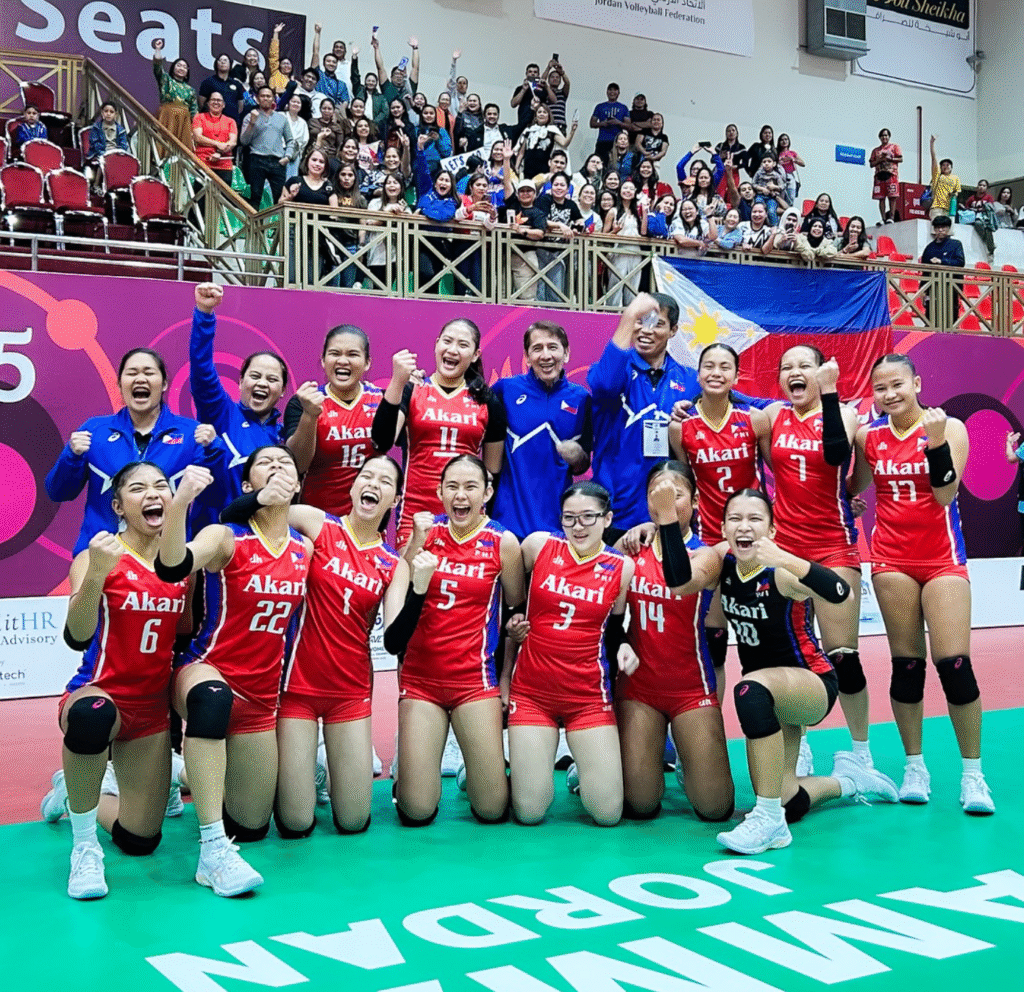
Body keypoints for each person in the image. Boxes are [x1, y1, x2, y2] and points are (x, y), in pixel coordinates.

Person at [219, 456, 404, 836]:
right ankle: (301, 771)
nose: (373, 483)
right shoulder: (317, 523)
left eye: (385, 481)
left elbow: (395, 638)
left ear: (395, 499)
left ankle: (318, 764)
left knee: (353, 822)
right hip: (295, 689)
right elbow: (231, 515)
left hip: (350, 692)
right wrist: (263, 496)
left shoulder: (392, 563)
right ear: (352, 489)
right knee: (296, 823)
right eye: (365, 476)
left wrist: (418, 586)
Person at [156, 451, 312, 893]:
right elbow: (172, 565)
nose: (279, 466)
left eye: (286, 462)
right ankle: (211, 852)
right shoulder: (226, 538)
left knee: (253, 826)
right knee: (212, 701)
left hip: (261, 699)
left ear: (297, 485)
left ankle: (179, 771)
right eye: (266, 464)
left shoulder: (305, 548)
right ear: (248, 487)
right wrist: (180, 502)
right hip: (206, 672)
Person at [713, 489, 899, 855]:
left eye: (755, 519)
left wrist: (788, 558)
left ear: (772, 529)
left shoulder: (782, 572)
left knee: (748, 690)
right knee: (789, 800)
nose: (744, 527)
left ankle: (769, 823)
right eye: (735, 519)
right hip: (770, 695)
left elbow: (841, 592)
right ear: (722, 528)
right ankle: (849, 780)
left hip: (811, 685)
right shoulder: (723, 566)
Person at [39, 463, 190, 899]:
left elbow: (185, 635)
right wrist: (98, 574)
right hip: (99, 693)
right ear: (118, 506)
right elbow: (76, 636)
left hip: (150, 712)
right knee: (90, 715)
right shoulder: (96, 554)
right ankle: (84, 848)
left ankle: (74, 792)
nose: (153, 493)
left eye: (161, 485)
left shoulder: (181, 561)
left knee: (140, 840)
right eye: (138, 488)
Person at [853, 355, 994, 815]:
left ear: (915, 383)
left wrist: (934, 445)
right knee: (907, 666)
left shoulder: (949, 428)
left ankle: (973, 775)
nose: (890, 394)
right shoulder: (868, 436)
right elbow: (857, 481)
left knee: (954, 664)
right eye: (880, 388)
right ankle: (915, 766)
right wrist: (849, 496)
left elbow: (946, 494)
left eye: (897, 385)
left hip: (942, 560)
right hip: (891, 559)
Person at [387, 456, 525, 825]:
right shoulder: (425, 537)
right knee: (416, 812)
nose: (460, 495)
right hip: (421, 682)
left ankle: (478, 771)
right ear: (439, 492)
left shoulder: (503, 543)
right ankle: (412, 773)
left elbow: (516, 613)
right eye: (452, 487)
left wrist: (507, 679)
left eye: (470, 487)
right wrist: (415, 542)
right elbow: (399, 599)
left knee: (492, 810)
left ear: (487, 492)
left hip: (475, 683)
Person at [762, 349, 868, 774]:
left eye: (803, 365)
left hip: (833, 545)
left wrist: (828, 393)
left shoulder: (843, 413)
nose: (794, 372)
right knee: (790, 652)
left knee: (843, 653)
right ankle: (797, 742)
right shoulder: (772, 416)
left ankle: (861, 753)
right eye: (786, 367)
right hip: (785, 547)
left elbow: (837, 457)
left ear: (822, 372)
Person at [506, 482, 634, 826]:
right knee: (530, 812)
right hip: (532, 693)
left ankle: (585, 769)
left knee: (608, 814)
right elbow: (511, 603)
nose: (579, 526)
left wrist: (625, 648)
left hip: (588, 697)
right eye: (570, 518)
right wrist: (513, 627)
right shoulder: (537, 546)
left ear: (607, 519)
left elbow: (617, 627)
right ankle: (487, 770)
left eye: (588, 517)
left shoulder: (621, 567)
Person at [615, 462, 734, 822]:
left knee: (715, 810)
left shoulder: (708, 555)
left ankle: (688, 758)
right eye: (656, 494)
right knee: (640, 806)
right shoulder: (632, 548)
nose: (665, 500)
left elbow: (680, 581)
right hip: (639, 688)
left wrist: (663, 518)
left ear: (696, 501)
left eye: (676, 494)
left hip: (690, 687)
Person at [45, 348, 215, 555]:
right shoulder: (94, 431)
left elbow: (216, 495)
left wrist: (214, 449)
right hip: (102, 556)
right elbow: (57, 492)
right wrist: (71, 456)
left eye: (149, 373)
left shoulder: (192, 434)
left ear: (164, 384)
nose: (140, 378)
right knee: (87, 589)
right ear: (119, 385)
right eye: (132, 373)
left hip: (166, 559)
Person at [372, 322, 507, 546]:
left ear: (475, 355)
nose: (453, 349)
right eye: (447, 341)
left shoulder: (488, 401)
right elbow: (381, 442)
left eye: (463, 345)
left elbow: (493, 471)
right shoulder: (412, 389)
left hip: (467, 517)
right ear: (436, 346)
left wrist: (485, 520)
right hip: (415, 516)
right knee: (414, 578)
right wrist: (397, 381)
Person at [189, 283, 311, 526]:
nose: (262, 383)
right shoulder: (221, 413)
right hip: (213, 539)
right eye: (255, 377)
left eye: (272, 379)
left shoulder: (286, 437)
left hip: (262, 543)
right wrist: (204, 314)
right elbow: (202, 370)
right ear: (241, 381)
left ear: (283, 390)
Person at [587, 294, 699, 530]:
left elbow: (733, 400)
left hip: (667, 512)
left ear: (673, 330)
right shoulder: (613, 368)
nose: (646, 331)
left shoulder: (690, 380)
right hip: (615, 509)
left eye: (658, 324)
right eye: (641, 322)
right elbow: (605, 385)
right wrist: (628, 318)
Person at [492, 321, 592, 539]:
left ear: (566, 354)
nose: (545, 356)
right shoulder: (505, 390)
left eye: (553, 347)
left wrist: (578, 457)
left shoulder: (582, 399)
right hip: (506, 525)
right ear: (527, 357)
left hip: (557, 528)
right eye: (537, 348)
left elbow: (582, 465)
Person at [669, 343, 769, 543]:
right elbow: (687, 483)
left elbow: (780, 472)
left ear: (736, 376)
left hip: (753, 528)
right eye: (708, 366)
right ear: (698, 375)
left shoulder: (756, 419)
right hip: (707, 530)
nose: (716, 373)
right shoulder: (679, 427)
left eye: (724, 367)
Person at [279, 149, 340, 286]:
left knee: (312, 279)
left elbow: (335, 213)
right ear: (307, 162)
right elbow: (280, 204)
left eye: (321, 161)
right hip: (294, 232)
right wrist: (290, 197)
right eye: (314, 160)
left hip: (317, 236)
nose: (317, 164)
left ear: (325, 166)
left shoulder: (329, 187)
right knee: (291, 276)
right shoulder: (294, 181)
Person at [239, 86, 296, 210]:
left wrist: (288, 156)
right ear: (257, 99)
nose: (265, 98)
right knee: (255, 197)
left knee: (280, 199)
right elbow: (244, 141)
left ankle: (278, 228)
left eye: (268, 96)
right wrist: (252, 123)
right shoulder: (250, 117)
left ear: (273, 99)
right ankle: (253, 228)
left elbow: (290, 140)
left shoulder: (281, 118)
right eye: (263, 96)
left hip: (278, 162)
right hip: (256, 159)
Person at [412, 157, 458, 290]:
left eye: (447, 180)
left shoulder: (452, 202)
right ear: (435, 182)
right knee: (425, 275)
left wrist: (424, 211)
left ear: (451, 185)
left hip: (439, 244)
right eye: (441, 179)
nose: (443, 182)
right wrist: (420, 151)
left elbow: (444, 215)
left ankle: (431, 310)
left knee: (435, 281)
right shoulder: (426, 192)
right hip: (420, 241)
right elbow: (422, 172)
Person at [502, 171, 547, 301]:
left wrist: (522, 231)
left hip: (525, 257)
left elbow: (540, 233)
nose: (525, 193)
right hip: (504, 255)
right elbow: (506, 183)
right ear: (517, 193)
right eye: (522, 191)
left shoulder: (538, 213)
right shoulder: (512, 205)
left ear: (535, 194)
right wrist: (506, 160)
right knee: (500, 293)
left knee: (527, 296)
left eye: (529, 191)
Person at [364, 173, 411, 284]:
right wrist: (387, 213)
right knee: (378, 289)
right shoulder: (375, 203)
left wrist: (401, 214)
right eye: (388, 183)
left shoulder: (405, 207)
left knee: (390, 289)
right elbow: (369, 223)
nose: (391, 186)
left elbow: (408, 228)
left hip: (396, 256)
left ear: (401, 187)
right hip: (377, 254)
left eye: (395, 183)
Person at [603, 178, 642, 306]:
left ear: (635, 192)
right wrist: (615, 231)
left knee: (633, 285)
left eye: (631, 189)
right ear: (620, 191)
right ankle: (611, 314)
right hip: (618, 250)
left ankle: (630, 314)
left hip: (635, 251)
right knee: (615, 284)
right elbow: (603, 236)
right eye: (625, 188)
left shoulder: (638, 212)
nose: (628, 191)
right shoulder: (613, 211)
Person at [151, 41, 197, 151]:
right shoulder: (166, 80)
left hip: (184, 122)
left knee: (182, 151)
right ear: (173, 68)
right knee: (163, 146)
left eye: (184, 67)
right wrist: (158, 49)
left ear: (187, 72)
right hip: (167, 118)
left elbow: (194, 111)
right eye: (179, 65)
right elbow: (157, 67)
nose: (181, 68)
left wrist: (194, 130)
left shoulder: (191, 90)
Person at [920, 215, 965, 325]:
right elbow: (924, 270)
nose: (940, 230)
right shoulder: (929, 248)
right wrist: (922, 290)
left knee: (950, 318)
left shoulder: (956, 245)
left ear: (949, 229)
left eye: (943, 227)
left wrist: (942, 261)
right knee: (931, 317)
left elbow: (960, 262)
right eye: (937, 227)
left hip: (951, 287)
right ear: (934, 229)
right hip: (933, 288)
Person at [513, 104, 575, 181]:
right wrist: (516, 166)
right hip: (528, 170)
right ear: (535, 115)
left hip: (544, 171)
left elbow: (564, 143)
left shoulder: (551, 130)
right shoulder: (529, 130)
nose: (542, 114)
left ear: (548, 115)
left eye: (544, 112)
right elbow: (521, 152)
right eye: (539, 112)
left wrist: (572, 131)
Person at [192, 92, 238, 186]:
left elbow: (233, 142)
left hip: (224, 164)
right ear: (208, 103)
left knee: (223, 198)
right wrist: (218, 144)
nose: (216, 102)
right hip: (203, 162)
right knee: (201, 197)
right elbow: (198, 137)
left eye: (219, 100)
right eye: (213, 100)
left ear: (224, 105)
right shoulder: (199, 117)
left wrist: (219, 152)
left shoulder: (230, 121)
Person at [199, 53, 246, 126]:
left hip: (232, 123)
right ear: (216, 64)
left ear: (230, 64)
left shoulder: (237, 84)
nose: (223, 62)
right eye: (220, 60)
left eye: (225, 60)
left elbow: (240, 106)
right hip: (212, 123)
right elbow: (201, 103)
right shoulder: (208, 82)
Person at [869, 128, 903, 224]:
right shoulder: (876, 150)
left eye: (886, 135)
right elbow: (871, 164)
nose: (884, 137)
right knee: (881, 198)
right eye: (883, 135)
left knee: (892, 197)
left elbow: (900, 159)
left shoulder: (894, 147)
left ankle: (891, 217)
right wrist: (880, 160)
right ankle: (883, 218)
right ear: (880, 137)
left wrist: (890, 158)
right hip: (879, 175)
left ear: (889, 137)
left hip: (891, 174)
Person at [509, 63, 548, 144]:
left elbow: (553, 101)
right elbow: (513, 104)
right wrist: (524, 89)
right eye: (530, 71)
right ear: (526, 74)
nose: (532, 73)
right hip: (523, 123)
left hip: (539, 125)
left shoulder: (542, 89)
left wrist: (545, 86)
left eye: (535, 72)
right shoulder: (520, 88)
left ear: (538, 74)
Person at [590, 83, 629, 163]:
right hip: (602, 141)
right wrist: (603, 123)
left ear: (618, 93)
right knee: (599, 164)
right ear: (607, 92)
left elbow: (629, 125)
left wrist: (618, 123)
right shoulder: (600, 106)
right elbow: (592, 123)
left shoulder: (623, 107)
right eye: (610, 90)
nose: (612, 92)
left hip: (617, 142)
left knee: (616, 164)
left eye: (615, 90)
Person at [928, 135, 961, 221]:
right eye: (943, 165)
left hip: (950, 210)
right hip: (937, 208)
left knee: (948, 232)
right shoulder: (937, 175)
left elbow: (957, 192)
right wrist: (932, 143)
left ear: (951, 167)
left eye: (948, 165)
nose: (945, 166)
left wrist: (953, 194)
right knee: (936, 230)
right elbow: (933, 159)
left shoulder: (955, 178)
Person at [751, 152, 789, 226]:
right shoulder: (759, 173)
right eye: (764, 162)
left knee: (771, 211)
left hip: (771, 197)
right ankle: (756, 225)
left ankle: (774, 227)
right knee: (758, 209)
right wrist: (761, 189)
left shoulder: (776, 175)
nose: (766, 163)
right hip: (760, 196)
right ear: (761, 164)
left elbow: (783, 186)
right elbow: (753, 184)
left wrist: (774, 187)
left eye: (769, 161)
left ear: (774, 164)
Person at [964, 180, 997, 259]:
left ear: (986, 188)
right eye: (980, 185)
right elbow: (967, 208)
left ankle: (990, 248)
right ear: (977, 186)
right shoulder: (971, 198)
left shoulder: (988, 197)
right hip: (972, 217)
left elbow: (991, 209)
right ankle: (989, 242)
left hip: (985, 217)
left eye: (984, 186)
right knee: (978, 224)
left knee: (987, 228)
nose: (981, 187)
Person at [282, 93, 310, 180]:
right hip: (279, 150)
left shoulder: (303, 122)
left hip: (294, 153)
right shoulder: (281, 116)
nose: (295, 104)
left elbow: (305, 140)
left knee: (291, 179)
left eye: (298, 103)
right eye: (293, 101)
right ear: (288, 103)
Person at [775, 134, 804, 207]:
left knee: (791, 197)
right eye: (782, 140)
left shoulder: (792, 153)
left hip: (790, 176)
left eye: (786, 139)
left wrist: (792, 159)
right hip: (779, 176)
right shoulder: (776, 153)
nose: (784, 141)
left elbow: (803, 163)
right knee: (780, 198)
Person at [267, 22, 294, 96]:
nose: (286, 65)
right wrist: (275, 33)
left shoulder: (294, 82)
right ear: (279, 65)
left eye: (288, 64)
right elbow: (273, 54)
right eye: (284, 63)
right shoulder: (275, 72)